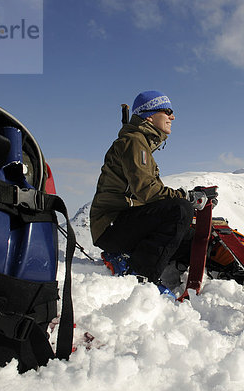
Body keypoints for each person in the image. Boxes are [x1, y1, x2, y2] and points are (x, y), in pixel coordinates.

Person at [89, 90, 209, 292]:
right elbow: (146, 190)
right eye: (167, 111)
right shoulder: (135, 141)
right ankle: (142, 274)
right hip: (111, 225)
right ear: (149, 115)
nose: (173, 117)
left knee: (188, 232)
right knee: (180, 211)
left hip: (117, 224)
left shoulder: (140, 142)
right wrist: (185, 197)